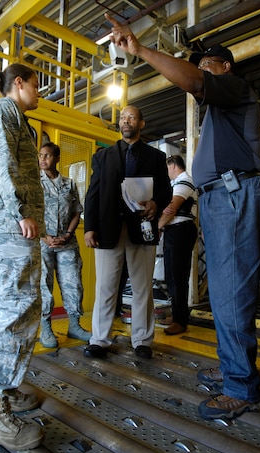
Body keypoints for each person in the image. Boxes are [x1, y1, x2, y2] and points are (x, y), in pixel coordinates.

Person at [105, 14, 260, 420]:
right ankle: (237, 368)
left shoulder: (233, 86)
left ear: (225, 67)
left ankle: (240, 387)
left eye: (207, 65)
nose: (200, 72)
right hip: (222, 196)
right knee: (223, 291)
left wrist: (141, 50)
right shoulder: (218, 108)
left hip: (235, 193)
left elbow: (197, 82)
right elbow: (198, 86)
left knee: (230, 291)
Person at [0, 64, 45, 449]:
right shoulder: (4, 111)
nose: (39, 93)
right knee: (18, 305)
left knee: (3, 303)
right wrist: (23, 212)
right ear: (19, 83)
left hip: (5, 223)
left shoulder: (11, 115)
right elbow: (4, 165)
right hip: (9, 222)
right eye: (36, 86)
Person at [84, 105, 172, 359]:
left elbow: (166, 190)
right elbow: (94, 194)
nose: (126, 121)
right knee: (105, 286)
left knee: (142, 285)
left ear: (141, 124)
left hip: (142, 227)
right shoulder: (103, 156)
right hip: (108, 229)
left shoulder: (155, 157)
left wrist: (157, 204)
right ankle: (99, 339)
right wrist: (90, 227)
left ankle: (142, 340)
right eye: (122, 118)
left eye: (131, 117)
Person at [38, 142, 91, 348]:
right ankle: (46, 328)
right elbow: (30, 213)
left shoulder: (69, 184)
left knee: (73, 282)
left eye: (48, 156)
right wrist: (44, 236)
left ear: (57, 158)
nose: (43, 159)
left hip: (67, 243)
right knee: (44, 284)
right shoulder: (35, 183)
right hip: (43, 243)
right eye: (41, 155)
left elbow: (77, 211)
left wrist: (68, 234)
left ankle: (75, 325)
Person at [158, 155, 197, 335]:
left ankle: (181, 321)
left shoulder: (184, 181)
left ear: (173, 165)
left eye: (166, 168)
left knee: (178, 277)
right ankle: (176, 315)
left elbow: (172, 208)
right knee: (171, 276)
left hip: (181, 230)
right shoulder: (175, 185)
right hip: (173, 231)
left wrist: (157, 226)